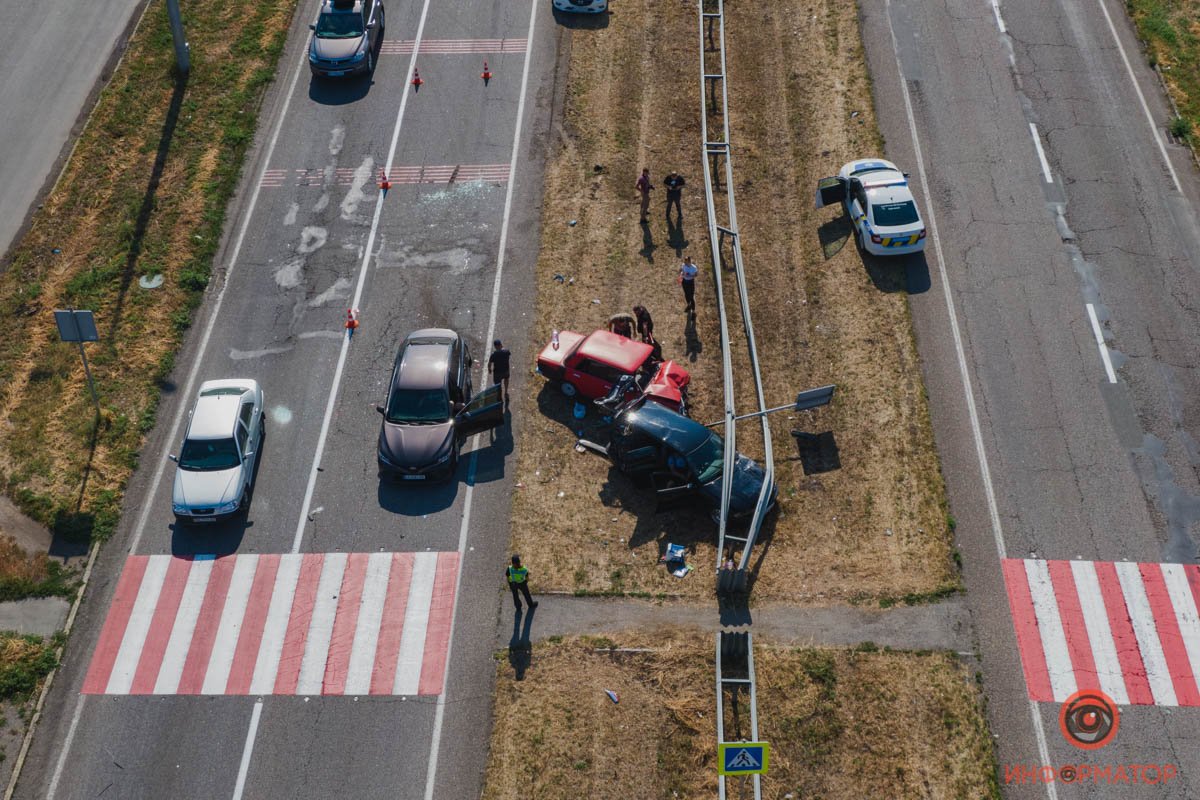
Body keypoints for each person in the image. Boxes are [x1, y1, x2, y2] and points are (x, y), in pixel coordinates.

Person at [488, 339, 511, 407]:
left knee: (498, 385)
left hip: (497, 373)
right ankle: (506, 392)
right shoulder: (507, 352)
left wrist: (489, 369)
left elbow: (489, 363)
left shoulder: (494, 355)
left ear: (495, 346)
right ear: (501, 344)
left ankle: (499, 397)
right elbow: (507, 355)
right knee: (506, 380)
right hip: (506, 371)